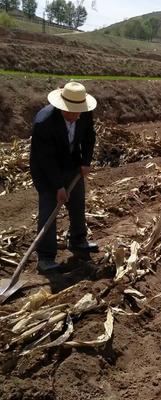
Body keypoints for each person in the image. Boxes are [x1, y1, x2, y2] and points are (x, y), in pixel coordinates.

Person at [29, 81, 99, 272]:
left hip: (72, 164)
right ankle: (45, 257)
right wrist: (59, 187)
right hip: (46, 171)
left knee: (77, 203)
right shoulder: (44, 123)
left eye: (79, 111)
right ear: (61, 107)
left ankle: (78, 240)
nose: (77, 116)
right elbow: (46, 159)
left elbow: (89, 137)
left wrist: (85, 161)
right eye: (72, 112)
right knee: (49, 210)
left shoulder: (83, 113)